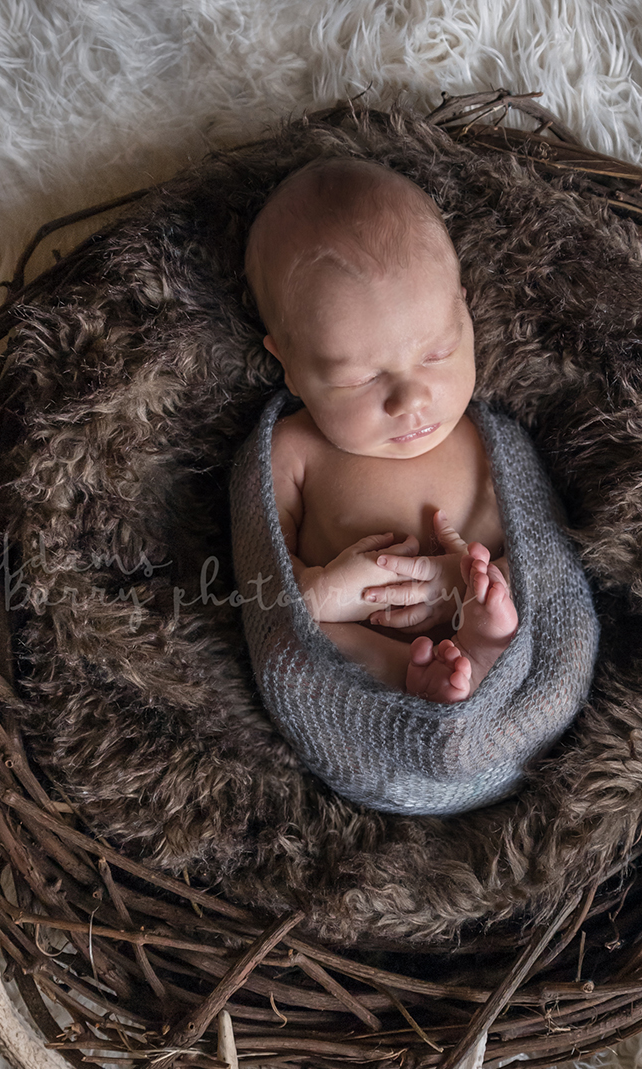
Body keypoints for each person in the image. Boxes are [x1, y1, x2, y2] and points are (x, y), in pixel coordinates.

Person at [243, 157, 516, 703]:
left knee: (513, 602)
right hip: (359, 680)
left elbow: (550, 555)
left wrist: (461, 588)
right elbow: (260, 593)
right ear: (290, 366)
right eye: (360, 378)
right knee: (305, 640)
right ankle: (408, 679)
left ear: (464, 310)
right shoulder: (292, 451)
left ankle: (484, 654)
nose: (410, 398)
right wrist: (326, 594)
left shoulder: (491, 440)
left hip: (500, 660)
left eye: (438, 352)